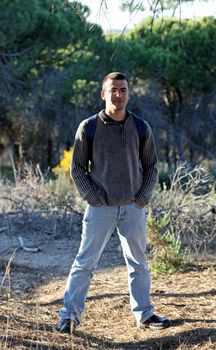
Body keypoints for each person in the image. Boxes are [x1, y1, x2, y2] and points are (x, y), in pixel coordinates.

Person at [56, 72, 171, 334]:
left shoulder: (141, 127)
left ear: (129, 94)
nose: (118, 95)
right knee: (85, 262)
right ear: (103, 94)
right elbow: (77, 169)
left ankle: (145, 314)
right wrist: (91, 197)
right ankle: (69, 317)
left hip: (133, 207)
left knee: (138, 263)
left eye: (123, 90)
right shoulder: (89, 127)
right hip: (101, 208)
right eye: (113, 90)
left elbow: (152, 165)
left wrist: (143, 197)